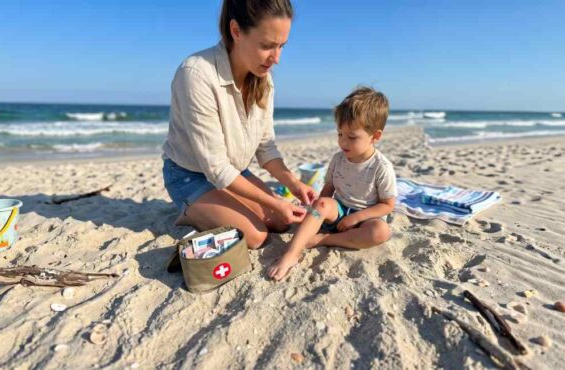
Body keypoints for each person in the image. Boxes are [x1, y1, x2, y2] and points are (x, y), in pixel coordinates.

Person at [161, 0, 316, 249]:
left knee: (280, 221)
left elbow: (266, 148)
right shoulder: (196, 74)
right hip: (189, 176)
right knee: (255, 236)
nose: (276, 58)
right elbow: (217, 168)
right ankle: (190, 210)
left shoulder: (264, 80)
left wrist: (294, 184)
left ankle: (220, 204)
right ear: (236, 31)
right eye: (267, 46)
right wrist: (276, 201)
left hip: (234, 172)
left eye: (281, 46)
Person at [267, 86, 397, 280]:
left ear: (375, 137)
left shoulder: (381, 167)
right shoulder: (338, 159)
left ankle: (325, 239)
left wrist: (356, 218)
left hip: (366, 218)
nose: (343, 142)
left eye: (352, 137)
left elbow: (388, 205)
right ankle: (291, 254)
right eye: (339, 134)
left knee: (381, 232)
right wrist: (315, 214)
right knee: (320, 204)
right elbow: (328, 190)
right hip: (340, 210)